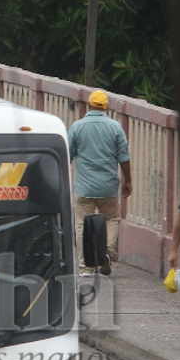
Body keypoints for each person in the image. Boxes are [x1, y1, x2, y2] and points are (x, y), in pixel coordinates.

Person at [69, 89, 132, 274]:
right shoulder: (115, 127)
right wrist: (128, 181)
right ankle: (108, 251)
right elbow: (124, 158)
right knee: (111, 218)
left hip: (84, 189)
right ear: (106, 107)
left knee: (81, 223)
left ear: (88, 104)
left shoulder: (77, 127)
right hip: (108, 188)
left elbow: (67, 156)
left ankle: (85, 266)